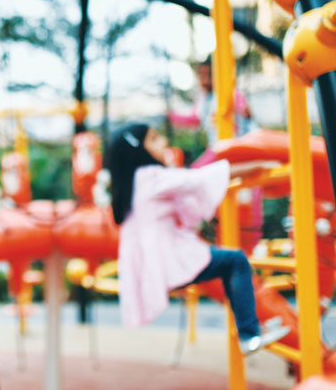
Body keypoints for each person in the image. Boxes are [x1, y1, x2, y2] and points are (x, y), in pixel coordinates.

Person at [107, 123, 288, 355]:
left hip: (155, 262)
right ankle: (249, 333)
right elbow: (201, 178)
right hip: (168, 259)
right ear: (137, 151)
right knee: (236, 262)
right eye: (154, 139)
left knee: (229, 265)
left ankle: (250, 328)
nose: (163, 142)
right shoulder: (151, 177)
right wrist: (256, 166)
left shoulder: (133, 183)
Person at [195, 57, 257, 146]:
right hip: (218, 144)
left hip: (239, 142)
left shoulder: (229, 93)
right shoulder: (204, 98)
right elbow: (195, 118)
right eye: (201, 76)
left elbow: (247, 116)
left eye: (209, 76)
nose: (205, 81)